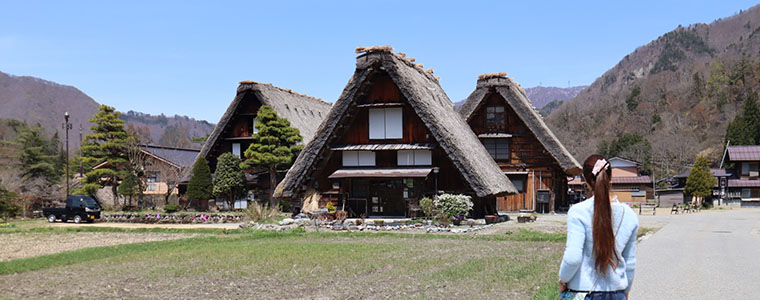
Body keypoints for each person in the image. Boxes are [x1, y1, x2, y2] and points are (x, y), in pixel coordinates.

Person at [558, 155, 639, 300]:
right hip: (617, 293)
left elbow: (572, 258)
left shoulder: (578, 212)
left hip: (583, 292)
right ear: (611, 176)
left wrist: (563, 280)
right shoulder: (630, 215)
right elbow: (630, 262)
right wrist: (626, 291)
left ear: (585, 179)